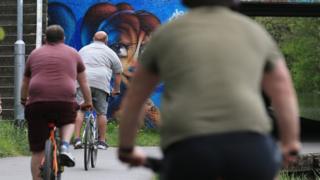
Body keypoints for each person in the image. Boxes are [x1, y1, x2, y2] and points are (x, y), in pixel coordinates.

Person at [117, 0, 301, 179]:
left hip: (188, 149)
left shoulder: (166, 34)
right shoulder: (255, 33)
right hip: (250, 145)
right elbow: (282, 91)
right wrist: (290, 143)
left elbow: (136, 97)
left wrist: (127, 148)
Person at [20, 25, 92, 180]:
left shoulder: (35, 54)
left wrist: (23, 100)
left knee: (38, 151)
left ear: (45, 38)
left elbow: (25, 82)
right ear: (63, 38)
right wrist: (88, 101)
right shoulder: (73, 53)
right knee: (69, 118)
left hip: (37, 101)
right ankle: (65, 145)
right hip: (64, 99)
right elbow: (84, 82)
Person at [73, 31, 123, 150]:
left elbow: (75, 66)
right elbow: (118, 72)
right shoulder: (110, 52)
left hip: (83, 81)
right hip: (101, 83)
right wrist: (116, 89)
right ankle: (101, 141)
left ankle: (77, 139)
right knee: (101, 113)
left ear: (92, 39)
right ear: (106, 41)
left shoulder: (84, 49)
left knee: (80, 109)